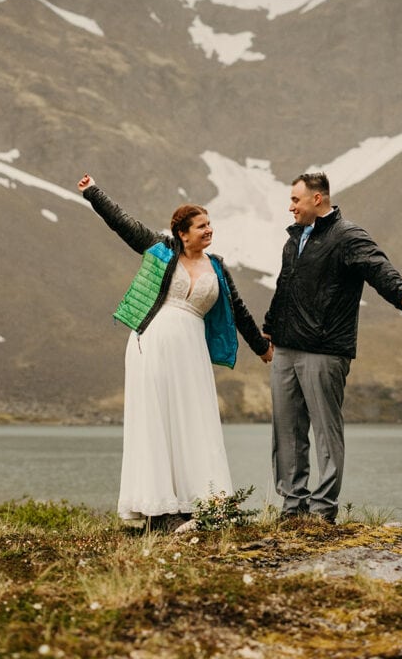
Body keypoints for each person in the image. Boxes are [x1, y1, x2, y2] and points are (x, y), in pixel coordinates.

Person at [77, 175, 273, 530]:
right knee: (157, 421)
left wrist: (260, 347)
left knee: (193, 420)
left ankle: (200, 502)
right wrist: (94, 192)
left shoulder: (217, 266)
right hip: (152, 343)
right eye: (202, 226)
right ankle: (160, 510)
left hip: (191, 351)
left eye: (210, 224)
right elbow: (124, 224)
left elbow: (239, 309)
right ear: (183, 233)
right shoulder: (162, 249)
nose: (209, 230)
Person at [263, 172, 402, 525]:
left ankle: (322, 511)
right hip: (286, 349)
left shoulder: (348, 236)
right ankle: (292, 509)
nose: (290, 207)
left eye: (296, 201)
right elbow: (284, 289)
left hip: (325, 350)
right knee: (286, 432)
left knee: (325, 432)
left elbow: (379, 267)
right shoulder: (294, 241)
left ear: (317, 199)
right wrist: (270, 329)